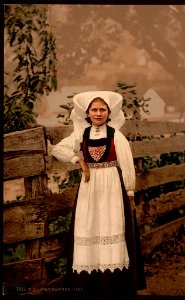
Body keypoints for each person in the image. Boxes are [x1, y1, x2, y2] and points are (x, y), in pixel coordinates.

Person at [51, 91, 146, 296]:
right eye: (94, 109)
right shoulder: (81, 134)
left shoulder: (115, 134)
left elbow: (127, 164)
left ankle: (113, 281)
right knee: (90, 224)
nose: (98, 113)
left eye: (102, 109)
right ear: (87, 112)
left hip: (112, 185)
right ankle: (90, 281)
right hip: (90, 186)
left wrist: (129, 193)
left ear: (109, 112)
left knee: (112, 223)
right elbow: (58, 150)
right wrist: (79, 161)